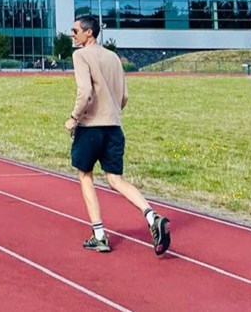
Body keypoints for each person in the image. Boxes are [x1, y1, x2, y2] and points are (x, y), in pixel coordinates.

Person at [64, 15, 171, 255]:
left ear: (88, 32)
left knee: (85, 175)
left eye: (75, 30)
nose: (72, 34)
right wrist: (111, 112)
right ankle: (151, 216)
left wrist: (74, 117)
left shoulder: (80, 55)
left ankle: (99, 235)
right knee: (115, 179)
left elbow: (85, 92)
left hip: (91, 127)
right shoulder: (113, 57)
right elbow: (124, 96)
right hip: (114, 127)